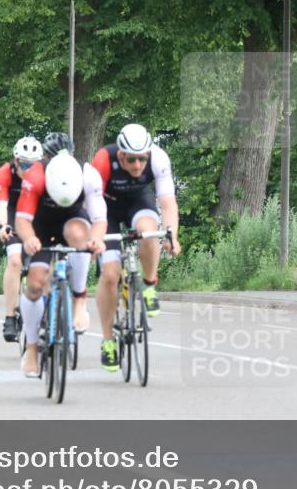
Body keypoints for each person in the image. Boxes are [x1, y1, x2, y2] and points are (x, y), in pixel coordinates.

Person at [91, 123, 180, 372]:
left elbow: (167, 202)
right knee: (109, 276)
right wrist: (95, 239)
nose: (138, 165)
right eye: (131, 160)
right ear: (121, 154)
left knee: (149, 232)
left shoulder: (159, 158)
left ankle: (149, 283)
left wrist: (172, 235)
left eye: (142, 159)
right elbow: (90, 203)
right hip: (105, 209)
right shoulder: (103, 160)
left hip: (138, 202)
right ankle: (108, 340)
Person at [13, 138, 106, 377]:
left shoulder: (88, 175)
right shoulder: (35, 177)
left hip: (72, 219)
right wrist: (30, 238)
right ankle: (32, 349)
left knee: (81, 237)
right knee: (35, 284)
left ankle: (79, 298)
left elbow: (99, 220)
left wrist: (95, 239)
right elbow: (22, 220)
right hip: (41, 224)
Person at [0, 135, 44, 342]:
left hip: (39, 215)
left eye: (33, 166)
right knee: (15, 260)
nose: (27, 170)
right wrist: (4, 225)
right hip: (15, 215)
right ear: (16, 161)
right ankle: (10, 318)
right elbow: (1, 205)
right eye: (24, 164)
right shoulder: (5, 172)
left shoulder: (45, 174)